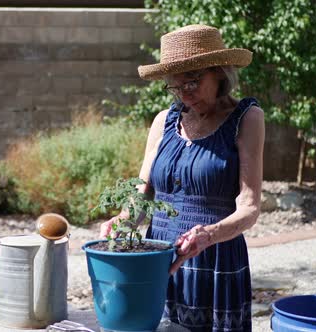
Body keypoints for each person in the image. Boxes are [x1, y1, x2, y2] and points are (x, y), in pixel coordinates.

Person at [100, 24, 264, 331]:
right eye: (175, 87)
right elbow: (142, 194)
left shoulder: (246, 118)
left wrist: (209, 234)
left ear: (219, 72)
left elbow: (250, 207)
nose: (185, 95)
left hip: (215, 259)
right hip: (159, 259)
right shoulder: (164, 121)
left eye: (192, 82)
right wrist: (121, 221)